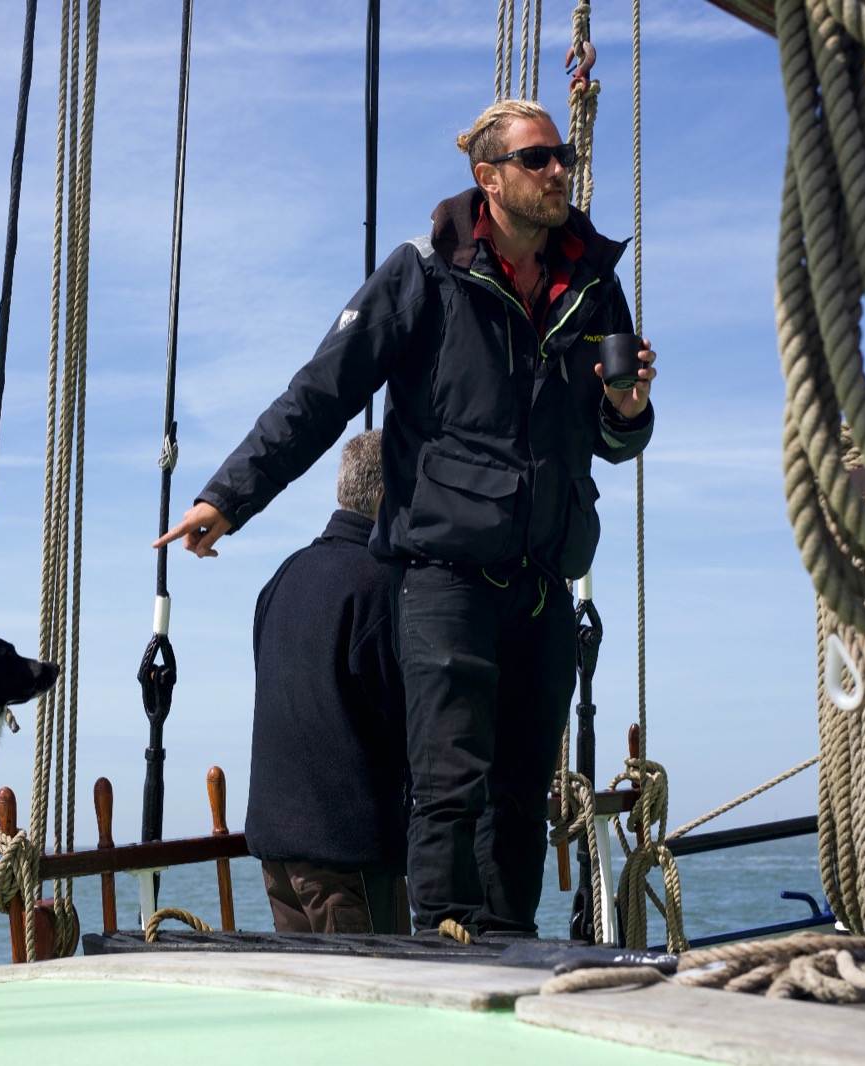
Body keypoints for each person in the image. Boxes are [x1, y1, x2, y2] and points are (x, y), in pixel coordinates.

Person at [156, 99, 657, 935]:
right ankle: (452, 950)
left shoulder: (594, 287)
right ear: (488, 177)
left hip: (543, 580)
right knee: (452, 789)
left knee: (522, 795)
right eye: (538, 159)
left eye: (562, 155)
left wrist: (629, 410)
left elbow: (614, 441)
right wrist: (230, 496)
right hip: (447, 574)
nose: (560, 170)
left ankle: (509, 955)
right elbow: (322, 393)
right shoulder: (423, 273)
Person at [245, 430, 409, 934]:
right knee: (374, 1003)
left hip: (277, 847)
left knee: (311, 1005)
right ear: (386, 497)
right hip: (348, 853)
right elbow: (404, 716)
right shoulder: (382, 584)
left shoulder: (283, 575)